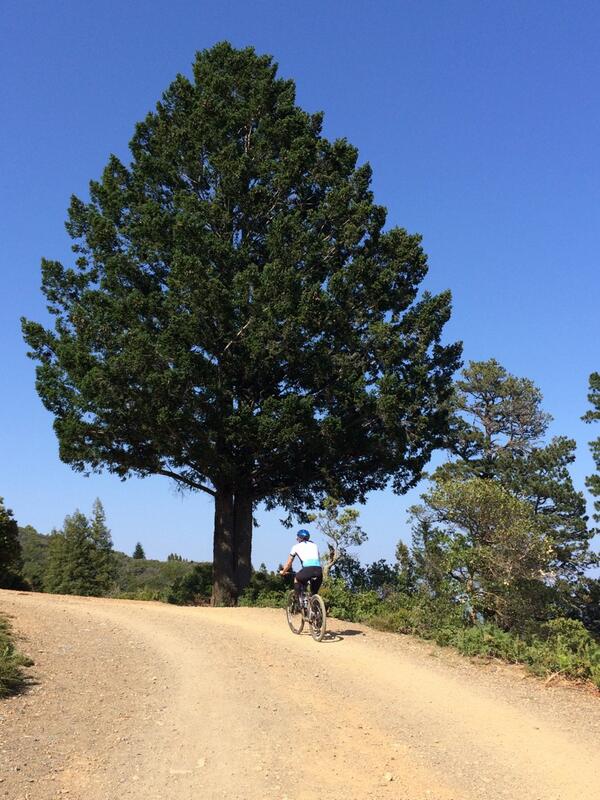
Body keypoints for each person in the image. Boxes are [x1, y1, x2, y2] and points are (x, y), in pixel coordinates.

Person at [280, 529, 323, 599]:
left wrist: (284, 572)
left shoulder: (295, 547)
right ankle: (314, 602)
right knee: (313, 593)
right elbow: (318, 557)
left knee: (297, 579)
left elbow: (289, 563)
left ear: (299, 538)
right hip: (318, 571)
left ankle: (297, 599)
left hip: (307, 570)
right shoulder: (315, 545)